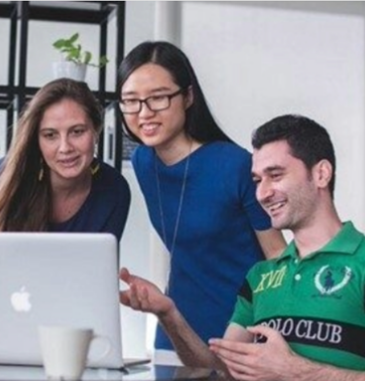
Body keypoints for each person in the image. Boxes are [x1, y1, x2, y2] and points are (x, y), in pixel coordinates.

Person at [120, 114, 365, 380]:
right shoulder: (260, 276)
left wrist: (296, 371)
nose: (262, 193)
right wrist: (169, 313)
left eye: (276, 175)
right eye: (257, 180)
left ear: (321, 174)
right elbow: (221, 366)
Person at [117, 41, 286, 359]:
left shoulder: (234, 164)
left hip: (241, 336)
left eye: (158, 98)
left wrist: (266, 335)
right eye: (131, 101)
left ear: (188, 96)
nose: (144, 113)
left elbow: (277, 257)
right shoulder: (143, 162)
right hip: (175, 334)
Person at [0, 78, 130, 241]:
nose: (65, 148)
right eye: (50, 135)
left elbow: (101, 264)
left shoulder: (114, 190)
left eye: (77, 131)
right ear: (36, 140)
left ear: (96, 130)